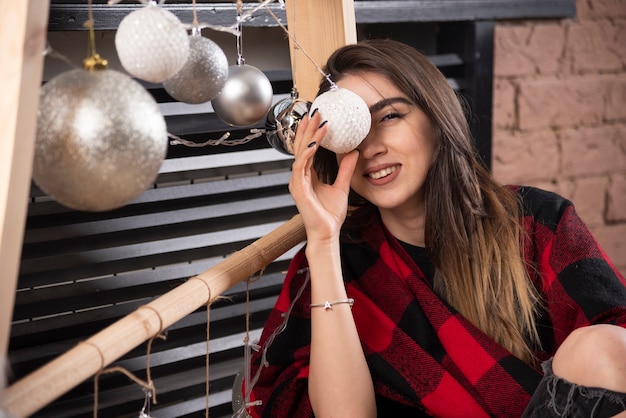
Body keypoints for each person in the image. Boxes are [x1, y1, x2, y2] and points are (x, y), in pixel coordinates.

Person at [241, 39, 626, 417]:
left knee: (604, 346)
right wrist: (324, 243)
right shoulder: (337, 259)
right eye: (352, 131)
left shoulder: (535, 220)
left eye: (390, 116)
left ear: (437, 118)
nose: (372, 147)